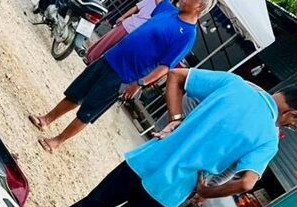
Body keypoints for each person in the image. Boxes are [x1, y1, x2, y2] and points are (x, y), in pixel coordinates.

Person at [41, 69, 297, 207]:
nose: (290, 126)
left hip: (146, 161)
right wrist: (206, 191)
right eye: (295, 123)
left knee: (90, 205)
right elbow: (247, 183)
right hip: (170, 191)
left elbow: (176, 75)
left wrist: (176, 119)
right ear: (293, 114)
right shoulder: (268, 139)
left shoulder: (234, 84)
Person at [28, 0, 207, 153]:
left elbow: (165, 67)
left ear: (199, 6)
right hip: (111, 57)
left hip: (126, 75)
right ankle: (46, 119)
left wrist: (140, 83)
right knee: (77, 91)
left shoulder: (188, 35)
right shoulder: (168, 10)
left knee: (89, 110)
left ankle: (57, 141)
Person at [85, 0, 177, 64]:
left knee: (114, 51)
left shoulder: (166, 12)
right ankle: (90, 57)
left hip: (136, 34)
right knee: (107, 42)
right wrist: (123, 17)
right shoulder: (151, 1)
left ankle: (95, 63)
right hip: (129, 25)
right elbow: (136, 8)